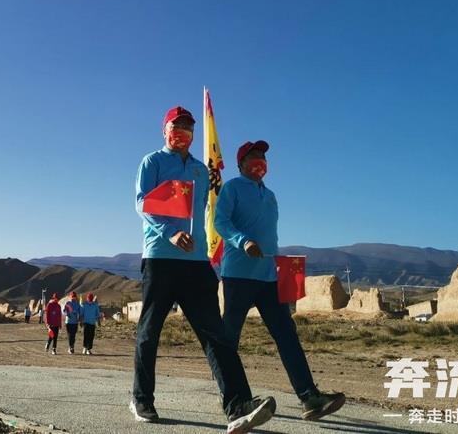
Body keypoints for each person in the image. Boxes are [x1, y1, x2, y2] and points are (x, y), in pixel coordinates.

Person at [131, 105, 275, 433]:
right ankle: (141, 398)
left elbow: (210, 212)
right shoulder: (152, 162)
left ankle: (239, 405)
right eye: (176, 125)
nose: (182, 131)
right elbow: (143, 203)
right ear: (165, 130)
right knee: (150, 332)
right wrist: (170, 232)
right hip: (161, 258)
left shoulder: (199, 169)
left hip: (196, 263)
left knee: (216, 334)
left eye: (188, 126)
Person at [215, 140, 347, 422]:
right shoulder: (232, 188)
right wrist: (243, 241)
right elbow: (221, 223)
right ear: (241, 163)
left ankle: (309, 397)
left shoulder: (270, 195)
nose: (260, 160)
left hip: (268, 277)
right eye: (253, 155)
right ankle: (235, 401)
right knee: (229, 340)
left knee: (287, 335)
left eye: (263, 157)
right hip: (238, 275)